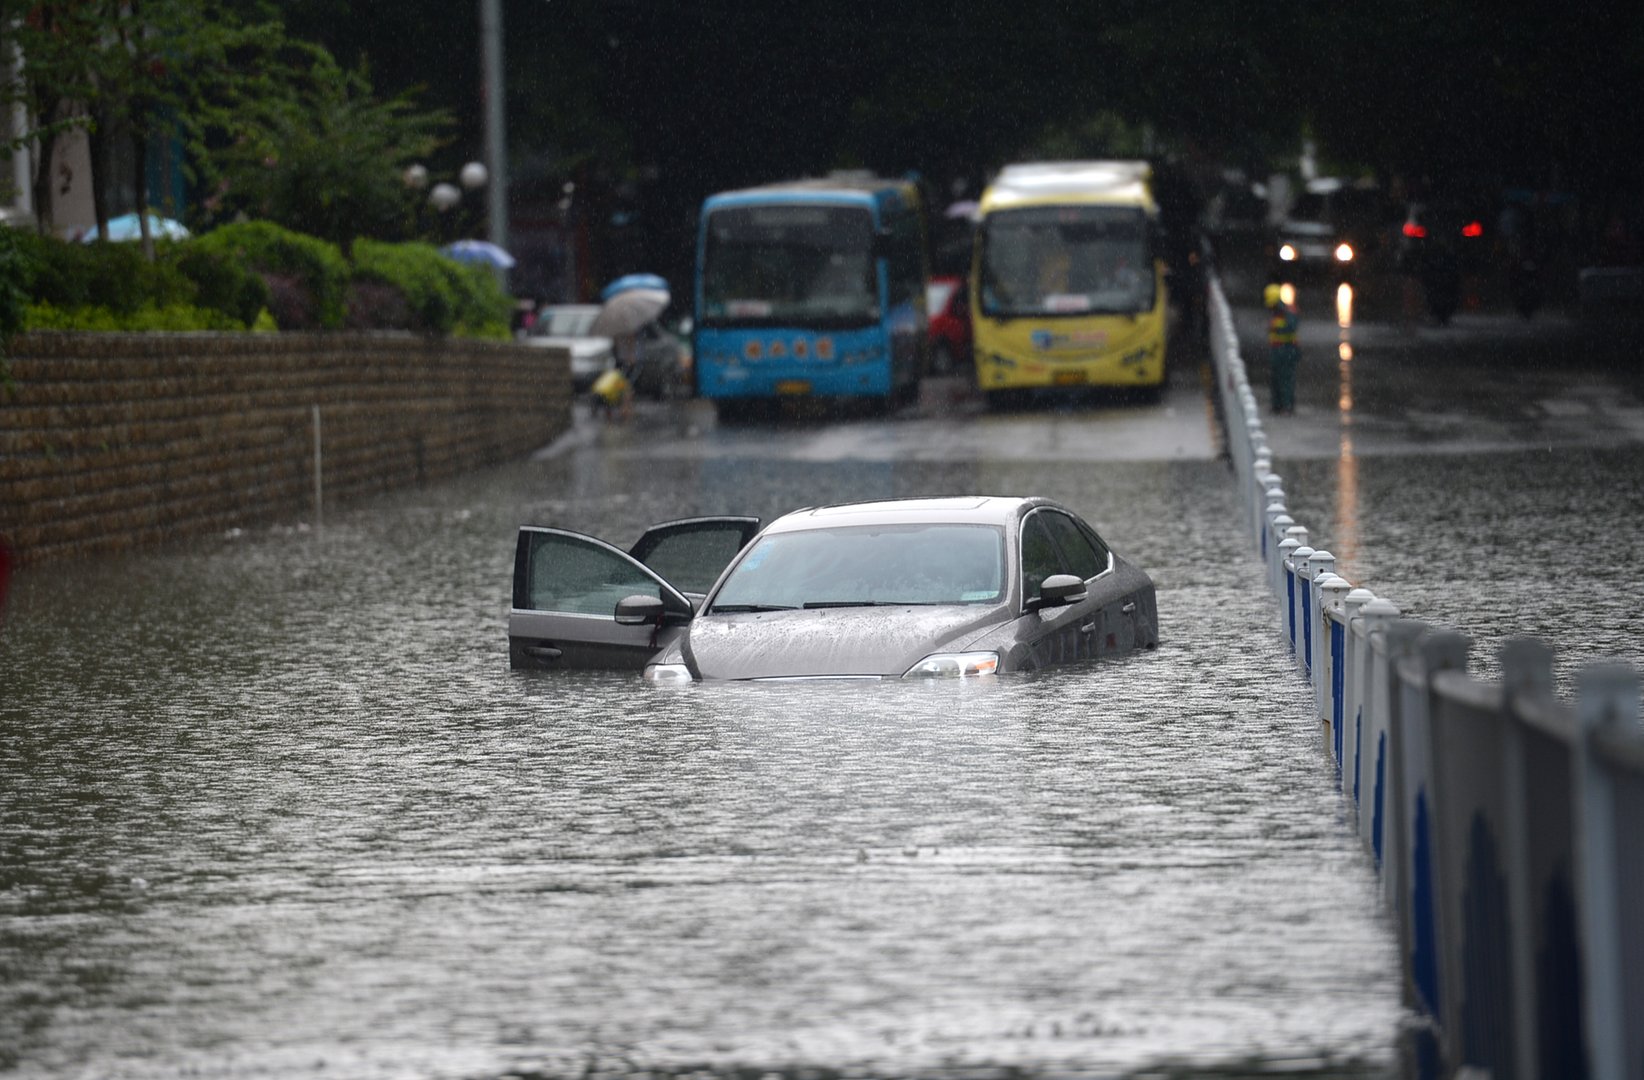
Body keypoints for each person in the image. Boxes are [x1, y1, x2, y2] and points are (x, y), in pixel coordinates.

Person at [1265, 283, 1300, 415]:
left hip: (1287, 350)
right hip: (1277, 351)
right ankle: (1277, 405)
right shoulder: (1275, 313)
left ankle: (1287, 406)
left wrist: (1277, 328)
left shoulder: (1288, 312)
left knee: (1286, 379)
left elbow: (1291, 327)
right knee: (1276, 379)